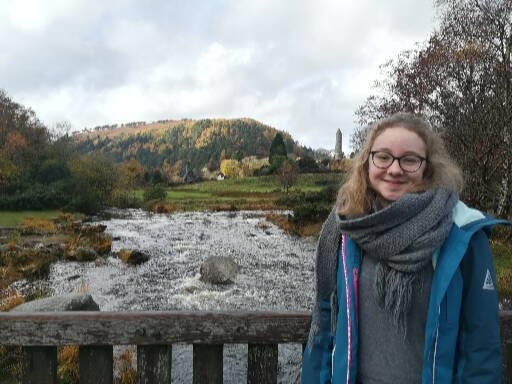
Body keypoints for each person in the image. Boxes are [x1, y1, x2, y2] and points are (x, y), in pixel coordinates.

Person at [302, 112, 506, 383]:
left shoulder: (462, 233)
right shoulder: (345, 230)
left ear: (427, 167)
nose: (394, 169)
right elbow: (327, 320)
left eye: (409, 160)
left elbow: (480, 346)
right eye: (383, 156)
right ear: (367, 162)